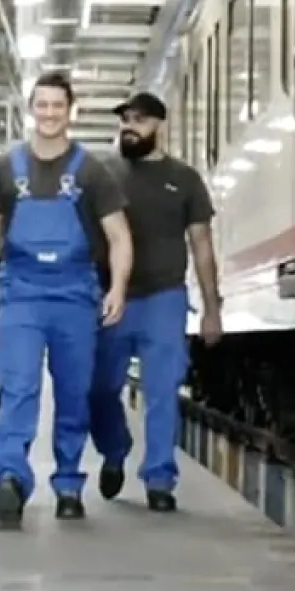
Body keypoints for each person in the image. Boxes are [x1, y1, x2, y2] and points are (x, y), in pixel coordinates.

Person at [0, 71, 132, 528]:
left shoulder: (93, 171)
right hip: (20, 292)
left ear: (70, 111)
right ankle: (10, 477)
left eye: (58, 105)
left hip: (75, 294)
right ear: (30, 109)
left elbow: (119, 236)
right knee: (17, 386)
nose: (49, 113)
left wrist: (117, 287)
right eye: (41, 104)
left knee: (74, 391)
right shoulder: (4, 168)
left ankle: (68, 482)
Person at [88, 91, 222, 512]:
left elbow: (202, 245)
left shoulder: (184, 179)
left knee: (162, 391)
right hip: (112, 298)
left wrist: (212, 309)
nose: (129, 127)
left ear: (159, 126)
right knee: (99, 389)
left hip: (165, 297)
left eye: (139, 120)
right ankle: (114, 449)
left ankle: (160, 478)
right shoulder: (104, 174)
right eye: (125, 119)